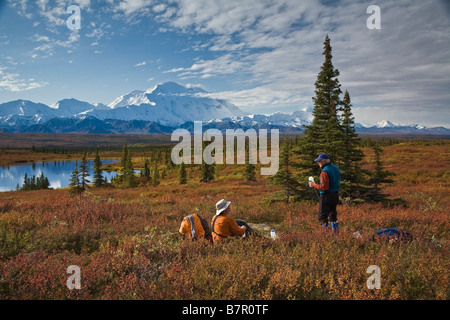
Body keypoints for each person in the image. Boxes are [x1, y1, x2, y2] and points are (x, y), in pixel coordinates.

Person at [309, 153, 341, 233]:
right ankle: (336, 233)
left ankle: (325, 236)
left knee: (323, 217)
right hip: (335, 195)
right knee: (333, 215)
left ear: (324, 161)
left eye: (319, 161)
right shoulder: (335, 168)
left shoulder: (324, 172)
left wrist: (313, 184)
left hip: (326, 196)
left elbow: (324, 187)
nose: (318, 163)